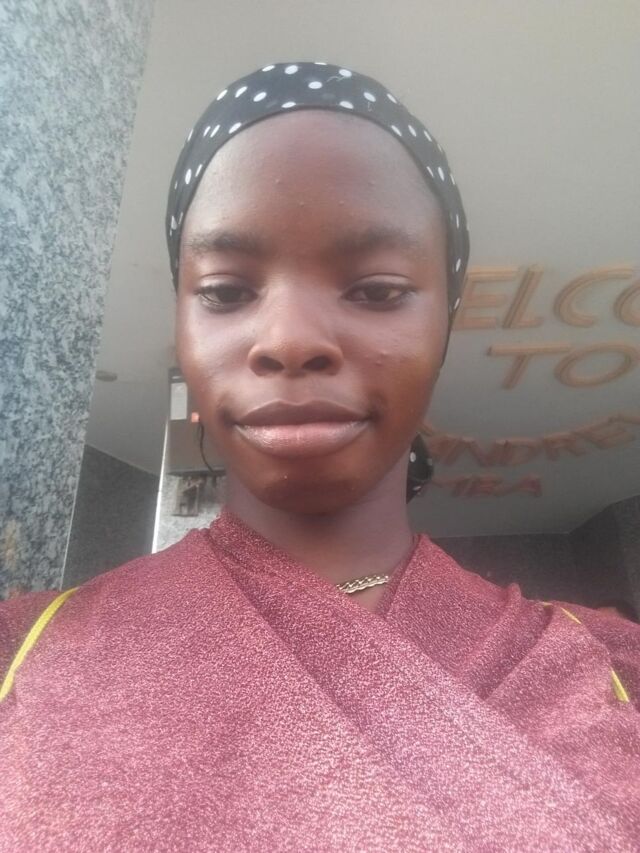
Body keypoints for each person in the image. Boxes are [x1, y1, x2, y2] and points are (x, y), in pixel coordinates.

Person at [1, 62, 639, 850]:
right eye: (227, 291)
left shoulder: (609, 671)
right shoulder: (21, 653)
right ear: (183, 328)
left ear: (446, 323)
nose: (290, 339)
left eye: (375, 289)